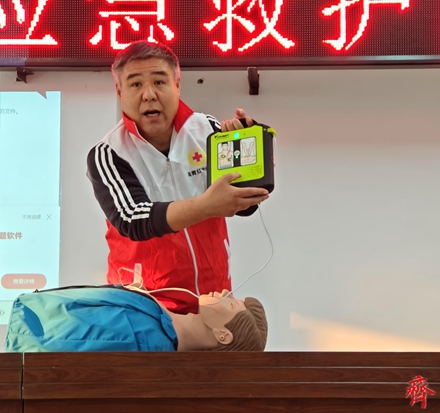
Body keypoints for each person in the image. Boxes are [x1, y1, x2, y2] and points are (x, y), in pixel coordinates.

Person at [86, 40, 270, 315]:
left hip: (212, 301)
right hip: (142, 308)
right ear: (119, 91)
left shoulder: (208, 130)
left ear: (177, 85)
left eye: (159, 82)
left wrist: (249, 157)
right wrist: (207, 205)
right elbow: (133, 220)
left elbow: (244, 207)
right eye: (136, 84)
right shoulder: (109, 153)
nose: (149, 95)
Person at [4, 287, 268, 352]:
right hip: (27, 312)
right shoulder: (161, 322)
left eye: (232, 304)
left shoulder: (147, 341)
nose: (226, 292)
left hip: (21, 328)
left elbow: (67, 338)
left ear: (223, 335)